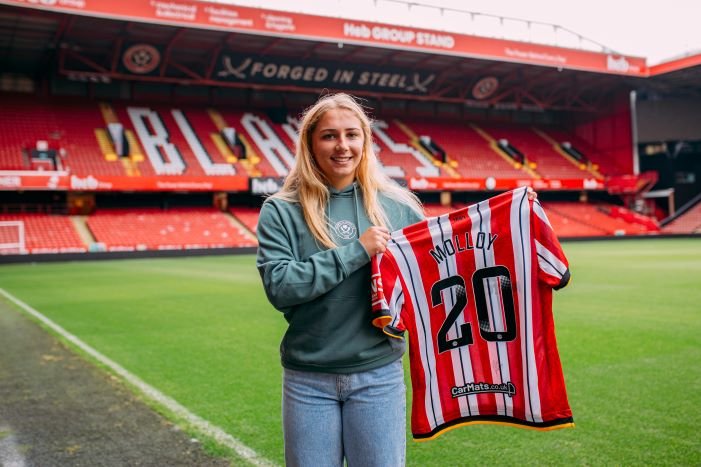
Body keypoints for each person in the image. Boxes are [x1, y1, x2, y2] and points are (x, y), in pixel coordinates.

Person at [255, 92, 424, 467]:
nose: (342, 146)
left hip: (378, 374)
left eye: (352, 134)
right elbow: (281, 286)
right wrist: (357, 251)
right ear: (311, 144)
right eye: (330, 136)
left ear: (365, 141)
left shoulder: (400, 206)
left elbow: (433, 281)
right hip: (308, 378)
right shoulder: (281, 209)